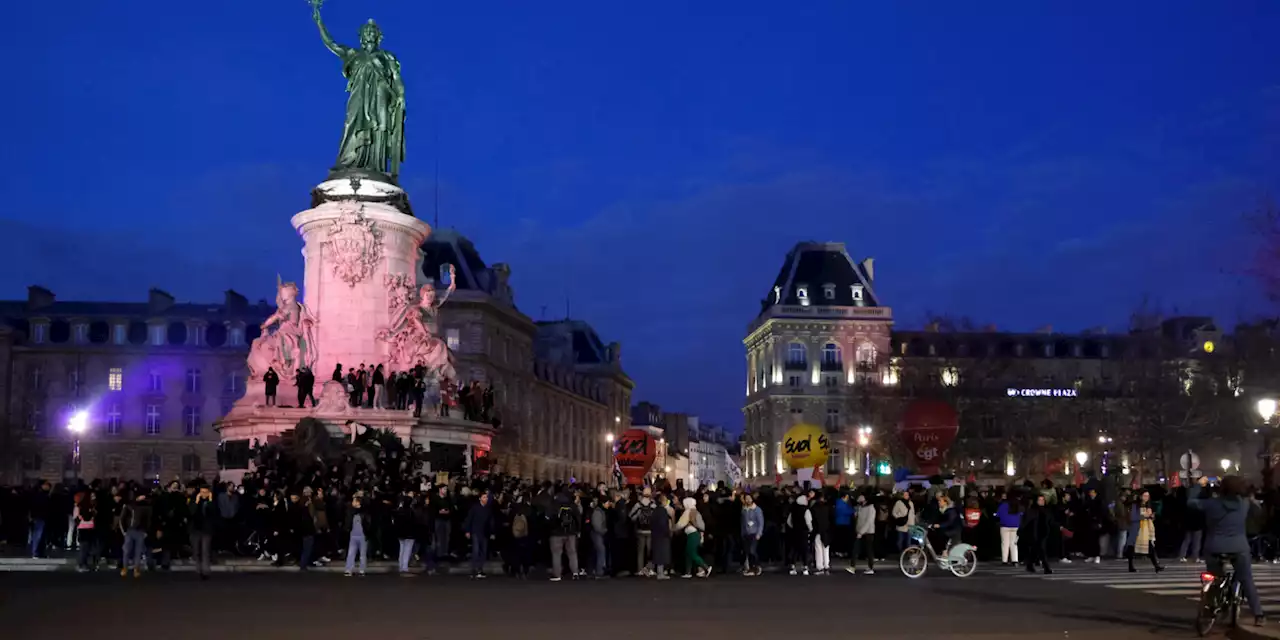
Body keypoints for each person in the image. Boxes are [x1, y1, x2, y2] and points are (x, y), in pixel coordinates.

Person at [1189, 476, 1265, 627]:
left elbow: (1191, 502)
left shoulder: (1211, 504)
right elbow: (1259, 511)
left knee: (1215, 578)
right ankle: (1258, 614)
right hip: (1238, 546)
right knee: (1246, 578)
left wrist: (1197, 486)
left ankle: (1211, 607)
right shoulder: (1244, 504)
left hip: (1213, 546)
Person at [1126, 490, 1163, 573]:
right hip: (1136, 529)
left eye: (1148, 496)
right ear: (1140, 496)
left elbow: (1149, 517)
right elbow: (1133, 518)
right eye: (1145, 496)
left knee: (1151, 547)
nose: (1146, 498)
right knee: (1131, 548)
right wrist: (1144, 516)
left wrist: (1151, 516)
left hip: (1146, 530)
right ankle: (1130, 566)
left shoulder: (1148, 505)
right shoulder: (1135, 505)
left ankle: (1156, 566)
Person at [189, 484, 218, 580]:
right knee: (196, 551)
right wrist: (197, 501)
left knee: (205, 550)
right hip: (195, 529)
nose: (203, 494)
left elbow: (214, 512)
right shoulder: (194, 500)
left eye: (206, 492)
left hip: (207, 529)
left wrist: (210, 500)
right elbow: (191, 512)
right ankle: (198, 569)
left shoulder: (212, 501)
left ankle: (205, 571)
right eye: (202, 492)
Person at [345, 496, 370, 577]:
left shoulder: (365, 512)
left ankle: (362, 569)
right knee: (351, 553)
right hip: (353, 535)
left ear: (358, 502)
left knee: (362, 554)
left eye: (354, 501)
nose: (352, 502)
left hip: (362, 535)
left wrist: (367, 532)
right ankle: (349, 569)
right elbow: (348, 522)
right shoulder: (351, 511)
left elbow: (368, 523)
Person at [740, 493, 764, 576]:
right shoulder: (744, 510)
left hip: (754, 532)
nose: (748, 500)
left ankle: (755, 567)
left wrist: (759, 533)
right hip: (746, 533)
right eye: (746, 498)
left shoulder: (757, 510)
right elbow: (743, 523)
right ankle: (751, 567)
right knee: (748, 551)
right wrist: (742, 533)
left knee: (752, 550)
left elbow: (761, 522)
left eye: (749, 498)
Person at [996, 494, 1022, 565]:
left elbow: (998, 515)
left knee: (1005, 544)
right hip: (1016, 526)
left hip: (1005, 526)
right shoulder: (1018, 505)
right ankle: (1015, 560)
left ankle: (1005, 560)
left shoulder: (1003, 505)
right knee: (1014, 544)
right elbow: (1021, 515)